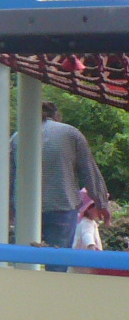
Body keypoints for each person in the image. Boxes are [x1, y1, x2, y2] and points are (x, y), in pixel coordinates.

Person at [12, 99, 110, 268]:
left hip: (25, 207)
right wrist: (102, 203)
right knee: (58, 260)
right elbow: (89, 171)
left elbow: (9, 175)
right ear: (57, 115)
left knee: (24, 261)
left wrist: (9, 208)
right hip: (62, 204)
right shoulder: (71, 134)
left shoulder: (17, 137)